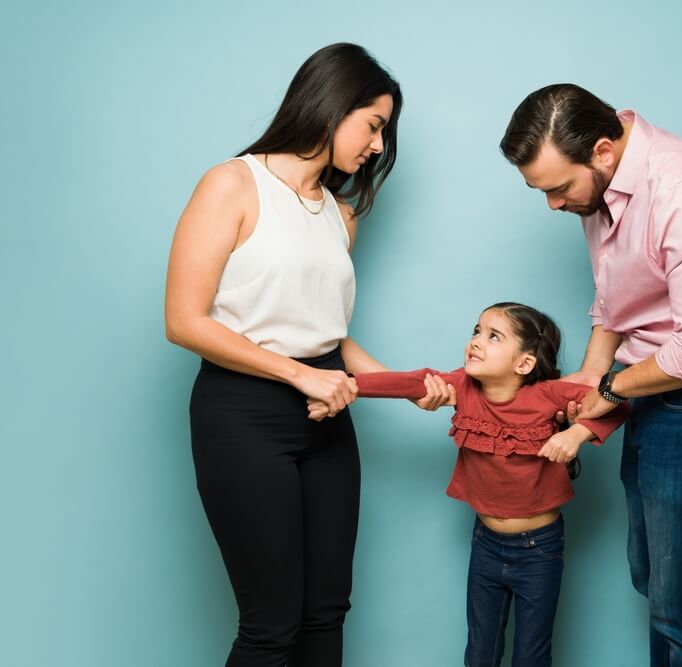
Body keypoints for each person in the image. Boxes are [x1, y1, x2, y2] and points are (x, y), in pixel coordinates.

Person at [164, 43, 453, 667]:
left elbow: (327, 334)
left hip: (327, 416)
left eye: (384, 131)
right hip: (242, 414)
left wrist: (406, 386)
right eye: (373, 125)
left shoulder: (340, 216)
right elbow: (184, 321)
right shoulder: (232, 184)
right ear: (332, 105)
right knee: (270, 626)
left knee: (326, 612)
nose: (378, 145)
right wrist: (301, 376)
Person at [499, 84, 682, 667]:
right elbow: (617, 299)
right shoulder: (602, 187)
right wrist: (592, 372)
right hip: (651, 389)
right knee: (654, 581)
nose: (552, 205)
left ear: (602, 151)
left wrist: (609, 388)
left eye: (557, 188)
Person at [307, 302, 629, 667]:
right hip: (486, 544)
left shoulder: (551, 395)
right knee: (479, 652)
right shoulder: (462, 386)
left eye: (494, 336)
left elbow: (617, 406)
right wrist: (349, 387)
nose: (476, 341)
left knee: (532, 655)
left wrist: (576, 435)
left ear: (524, 363)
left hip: (539, 549)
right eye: (477, 331)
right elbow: (411, 382)